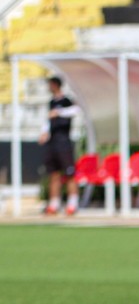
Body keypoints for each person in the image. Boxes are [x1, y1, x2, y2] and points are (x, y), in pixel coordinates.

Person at [39, 76, 81, 215]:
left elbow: (76, 110)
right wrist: (44, 132)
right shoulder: (51, 102)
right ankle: (54, 204)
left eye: (51, 84)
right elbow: (48, 119)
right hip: (53, 143)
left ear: (56, 85)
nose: (49, 87)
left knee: (69, 174)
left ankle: (72, 204)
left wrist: (60, 112)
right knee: (54, 174)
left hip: (64, 142)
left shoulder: (66, 101)